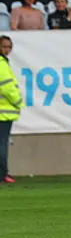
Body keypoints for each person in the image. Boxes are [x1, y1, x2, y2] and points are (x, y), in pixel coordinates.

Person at [0, 36, 22, 184]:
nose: (7, 50)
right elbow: (7, 87)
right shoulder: (1, 64)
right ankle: (2, 174)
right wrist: (19, 102)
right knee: (2, 145)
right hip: (4, 112)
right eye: (4, 47)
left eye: (9, 47)